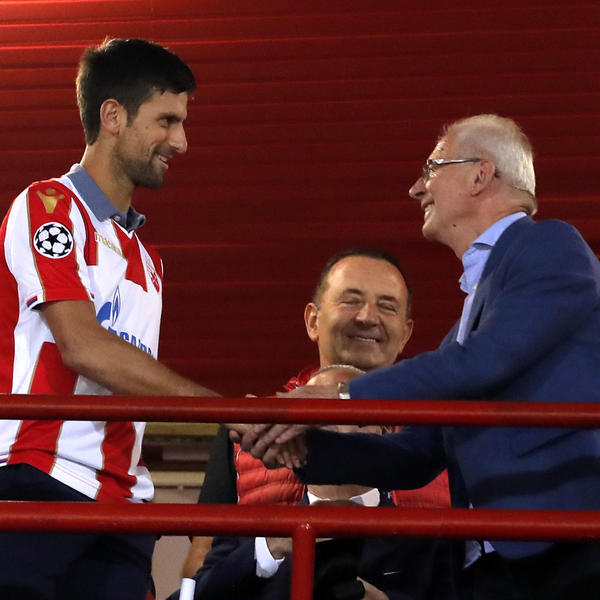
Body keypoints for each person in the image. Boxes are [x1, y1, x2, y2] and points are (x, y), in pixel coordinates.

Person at [240, 114, 600, 600]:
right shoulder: (466, 324)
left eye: (432, 167)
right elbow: (414, 455)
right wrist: (304, 448)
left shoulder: (550, 245)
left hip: (565, 554)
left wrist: (337, 396)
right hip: (489, 571)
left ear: (480, 174)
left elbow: (487, 361)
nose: (416, 188)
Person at [0, 38, 221, 600]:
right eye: (167, 121)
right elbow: (83, 346)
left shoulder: (149, 260)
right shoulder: (48, 206)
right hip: (38, 477)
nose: (181, 142)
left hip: (123, 506)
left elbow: (135, 385)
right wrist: (223, 412)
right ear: (114, 116)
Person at [170, 248, 456, 599]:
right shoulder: (249, 427)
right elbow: (202, 568)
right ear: (312, 320)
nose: (368, 317)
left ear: (406, 333)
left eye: (387, 306)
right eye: (351, 301)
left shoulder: (445, 429)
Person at [169, 365, 458, 600]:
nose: (340, 430)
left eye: (355, 416)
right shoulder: (252, 534)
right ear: (293, 432)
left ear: (386, 430)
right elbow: (193, 596)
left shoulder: (425, 538)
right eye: (320, 417)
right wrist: (272, 547)